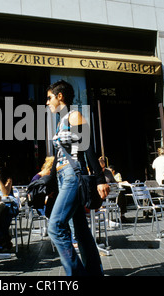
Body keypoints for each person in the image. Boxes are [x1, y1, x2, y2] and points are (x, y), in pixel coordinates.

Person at [46, 79, 110, 276]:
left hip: (74, 176)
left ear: (60, 96)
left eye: (49, 98)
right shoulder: (60, 122)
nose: (47, 102)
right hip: (63, 177)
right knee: (80, 229)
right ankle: (93, 272)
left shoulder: (74, 116)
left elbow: (88, 148)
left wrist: (100, 179)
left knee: (55, 226)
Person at [99, 157, 129, 223]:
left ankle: (122, 215)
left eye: (104, 167)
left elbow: (114, 182)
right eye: (101, 168)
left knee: (121, 194)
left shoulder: (108, 172)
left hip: (110, 192)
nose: (103, 169)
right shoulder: (95, 172)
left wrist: (122, 182)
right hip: (100, 193)